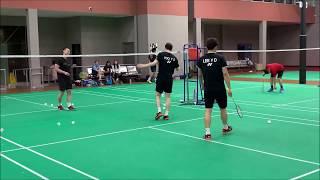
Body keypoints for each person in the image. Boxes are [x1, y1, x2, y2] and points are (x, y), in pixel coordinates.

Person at [197, 38, 232, 140]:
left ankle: (207, 133)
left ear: (207, 47)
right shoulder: (220, 58)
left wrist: (202, 85)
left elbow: (199, 75)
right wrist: (229, 88)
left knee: (208, 110)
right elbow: (225, 73)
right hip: (220, 88)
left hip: (208, 88)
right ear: (216, 46)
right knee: (223, 109)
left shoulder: (201, 59)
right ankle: (225, 127)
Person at [137, 43, 179, 120]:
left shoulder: (161, 54)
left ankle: (159, 111)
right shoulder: (174, 58)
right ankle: (166, 115)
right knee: (168, 97)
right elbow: (177, 69)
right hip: (169, 78)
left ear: (165, 47)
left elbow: (153, 63)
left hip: (161, 77)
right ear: (171, 49)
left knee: (157, 95)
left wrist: (143, 66)